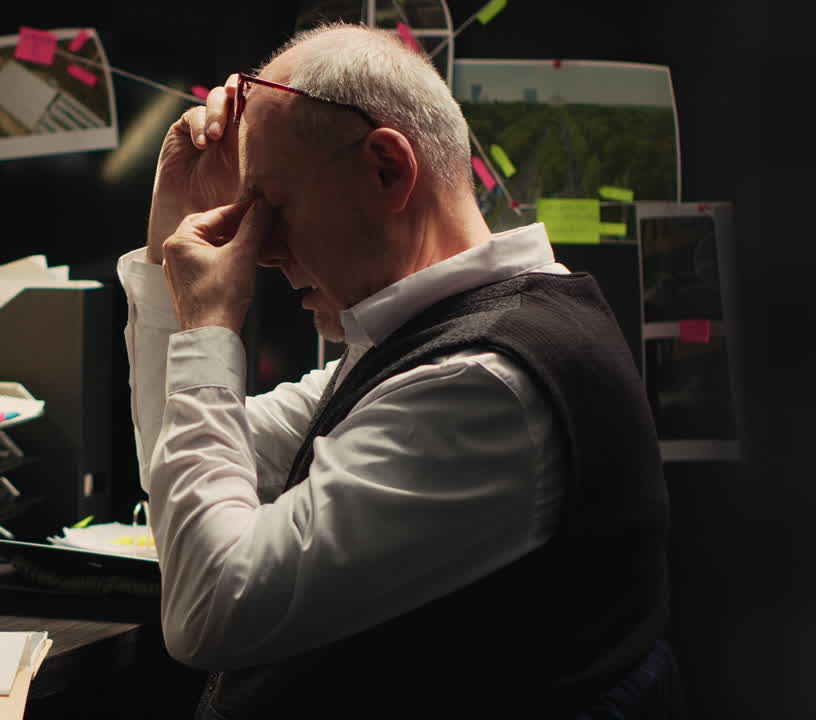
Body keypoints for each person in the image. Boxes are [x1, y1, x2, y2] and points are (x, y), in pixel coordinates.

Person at [117, 22, 675, 718]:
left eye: (275, 206)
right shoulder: (426, 344)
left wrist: (208, 326)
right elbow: (175, 459)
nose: (260, 248)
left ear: (388, 171)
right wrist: (172, 232)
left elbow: (210, 610)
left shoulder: (485, 383)